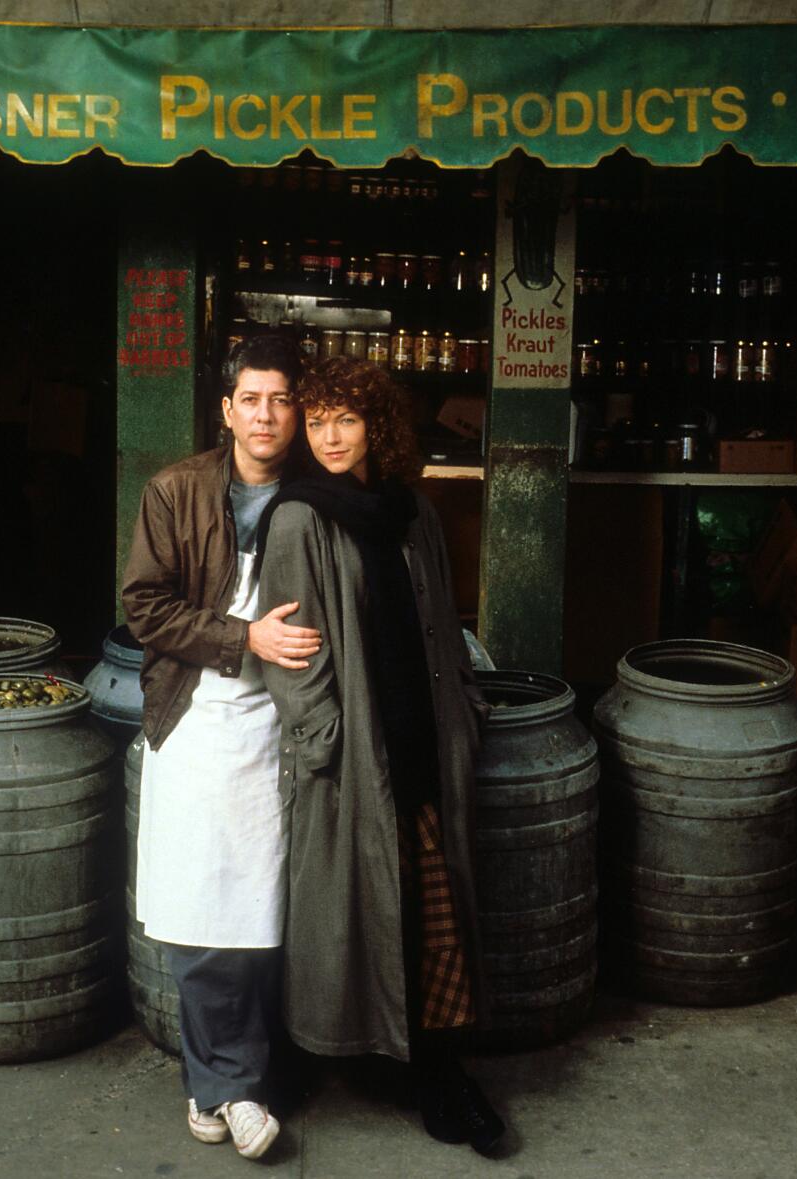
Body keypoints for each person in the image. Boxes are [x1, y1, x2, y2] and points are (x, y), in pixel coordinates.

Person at [255, 356, 507, 1155]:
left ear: (378, 428)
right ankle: (323, 1059)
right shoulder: (299, 518)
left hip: (423, 740)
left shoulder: (412, 513)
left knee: (430, 912)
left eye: (347, 420)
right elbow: (288, 653)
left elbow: (446, 620)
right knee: (347, 910)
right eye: (318, 419)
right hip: (353, 754)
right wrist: (323, 735)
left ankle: (438, 1072)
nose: (329, 436)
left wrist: (464, 704)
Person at [120, 333, 321, 1161]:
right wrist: (244, 638)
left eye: (281, 399)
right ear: (227, 407)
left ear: (295, 409)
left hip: (283, 723)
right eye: (252, 398)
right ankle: (237, 1087)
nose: (265, 414)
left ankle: (218, 1083)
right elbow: (145, 606)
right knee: (203, 911)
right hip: (197, 712)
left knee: (264, 907)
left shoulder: (316, 494)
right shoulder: (176, 490)